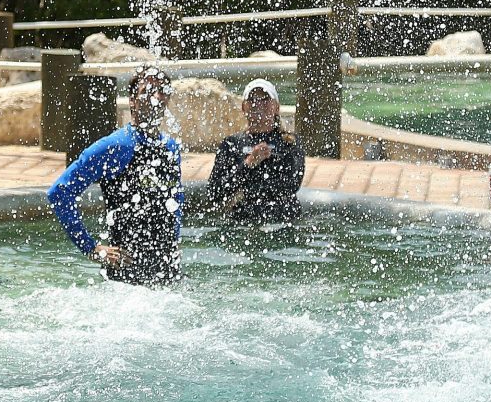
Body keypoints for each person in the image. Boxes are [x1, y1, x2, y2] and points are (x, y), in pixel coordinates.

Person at [47, 66, 183, 286]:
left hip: (167, 269)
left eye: (161, 90)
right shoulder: (116, 146)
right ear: (132, 101)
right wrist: (91, 248)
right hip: (127, 278)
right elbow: (59, 193)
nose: (155, 96)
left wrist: (175, 241)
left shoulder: (170, 148)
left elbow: (176, 199)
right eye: (146, 90)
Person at [206, 80, 304, 224]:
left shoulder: (290, 143)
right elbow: (214, 192)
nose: (258, 104)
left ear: (276, 107)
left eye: (265, 99)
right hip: (242, 222)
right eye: (251, 99)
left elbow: (291, 184)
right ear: (243, 107)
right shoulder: (231, 144)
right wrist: (248, 163)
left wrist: (246, 190)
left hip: (281, 221)